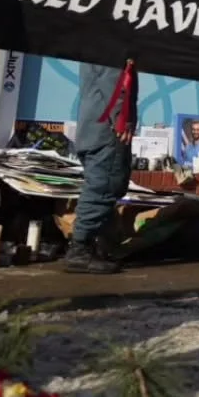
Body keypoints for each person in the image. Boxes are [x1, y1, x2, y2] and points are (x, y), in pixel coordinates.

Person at [67, 61, 137, 274]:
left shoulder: (95, 43)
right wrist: (122, 117)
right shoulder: (110, 44)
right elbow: (114, 81)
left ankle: (96, 245)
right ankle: (80, 248)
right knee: (103, 185)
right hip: (106, 130)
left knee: (105, 184)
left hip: (95, 127)